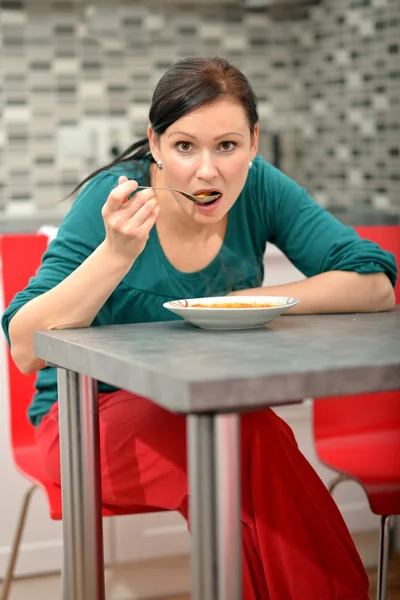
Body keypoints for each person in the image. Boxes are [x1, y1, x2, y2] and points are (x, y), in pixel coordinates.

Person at [2, 56, 397, 600]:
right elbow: (25, 348)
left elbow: (373, 282)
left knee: (238, 470)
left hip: (211, 414)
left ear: (253, 142)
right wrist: (116, 253)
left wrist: (247, 300)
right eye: (185, 147)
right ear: (156, 144)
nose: (207, 171)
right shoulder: (112, 201)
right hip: (83, 424)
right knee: (245, 440)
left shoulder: (259, 188)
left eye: (227, 146)